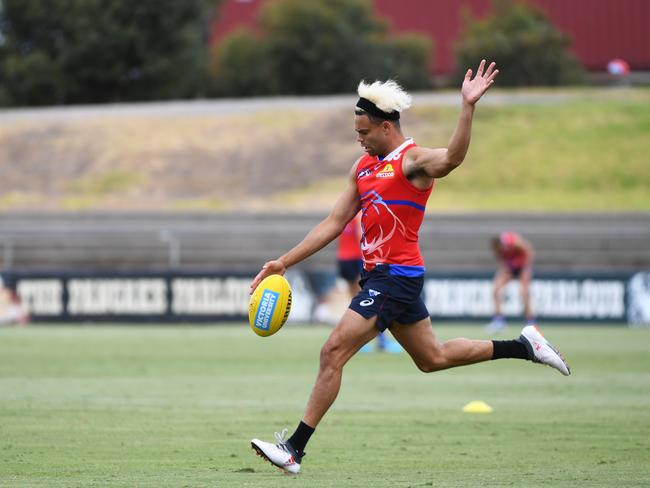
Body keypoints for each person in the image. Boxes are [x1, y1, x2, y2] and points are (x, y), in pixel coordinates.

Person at [249, 60, 570, 475]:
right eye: (356, 133)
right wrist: (283, 262)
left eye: (364, 133)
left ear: (386, 126)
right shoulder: (362, 169)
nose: (360, 140)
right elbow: (333, 223)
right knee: (432, 358)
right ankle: (526, 346)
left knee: (332, 351)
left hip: (396, 277)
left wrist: (467, 107)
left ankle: (294, 449)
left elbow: (453, 157)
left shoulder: (411, 161)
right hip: (380, 277)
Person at [486, 231, 535, 333]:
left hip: (522, 267)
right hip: (510, 268)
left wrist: (525, 267)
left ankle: (530, 322)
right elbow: (503, 261)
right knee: (496, 290)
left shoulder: (512, 242)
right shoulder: (498, 250)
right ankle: (499, 321)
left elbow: (527, 250)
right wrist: (506, 268)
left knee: (524, 292)